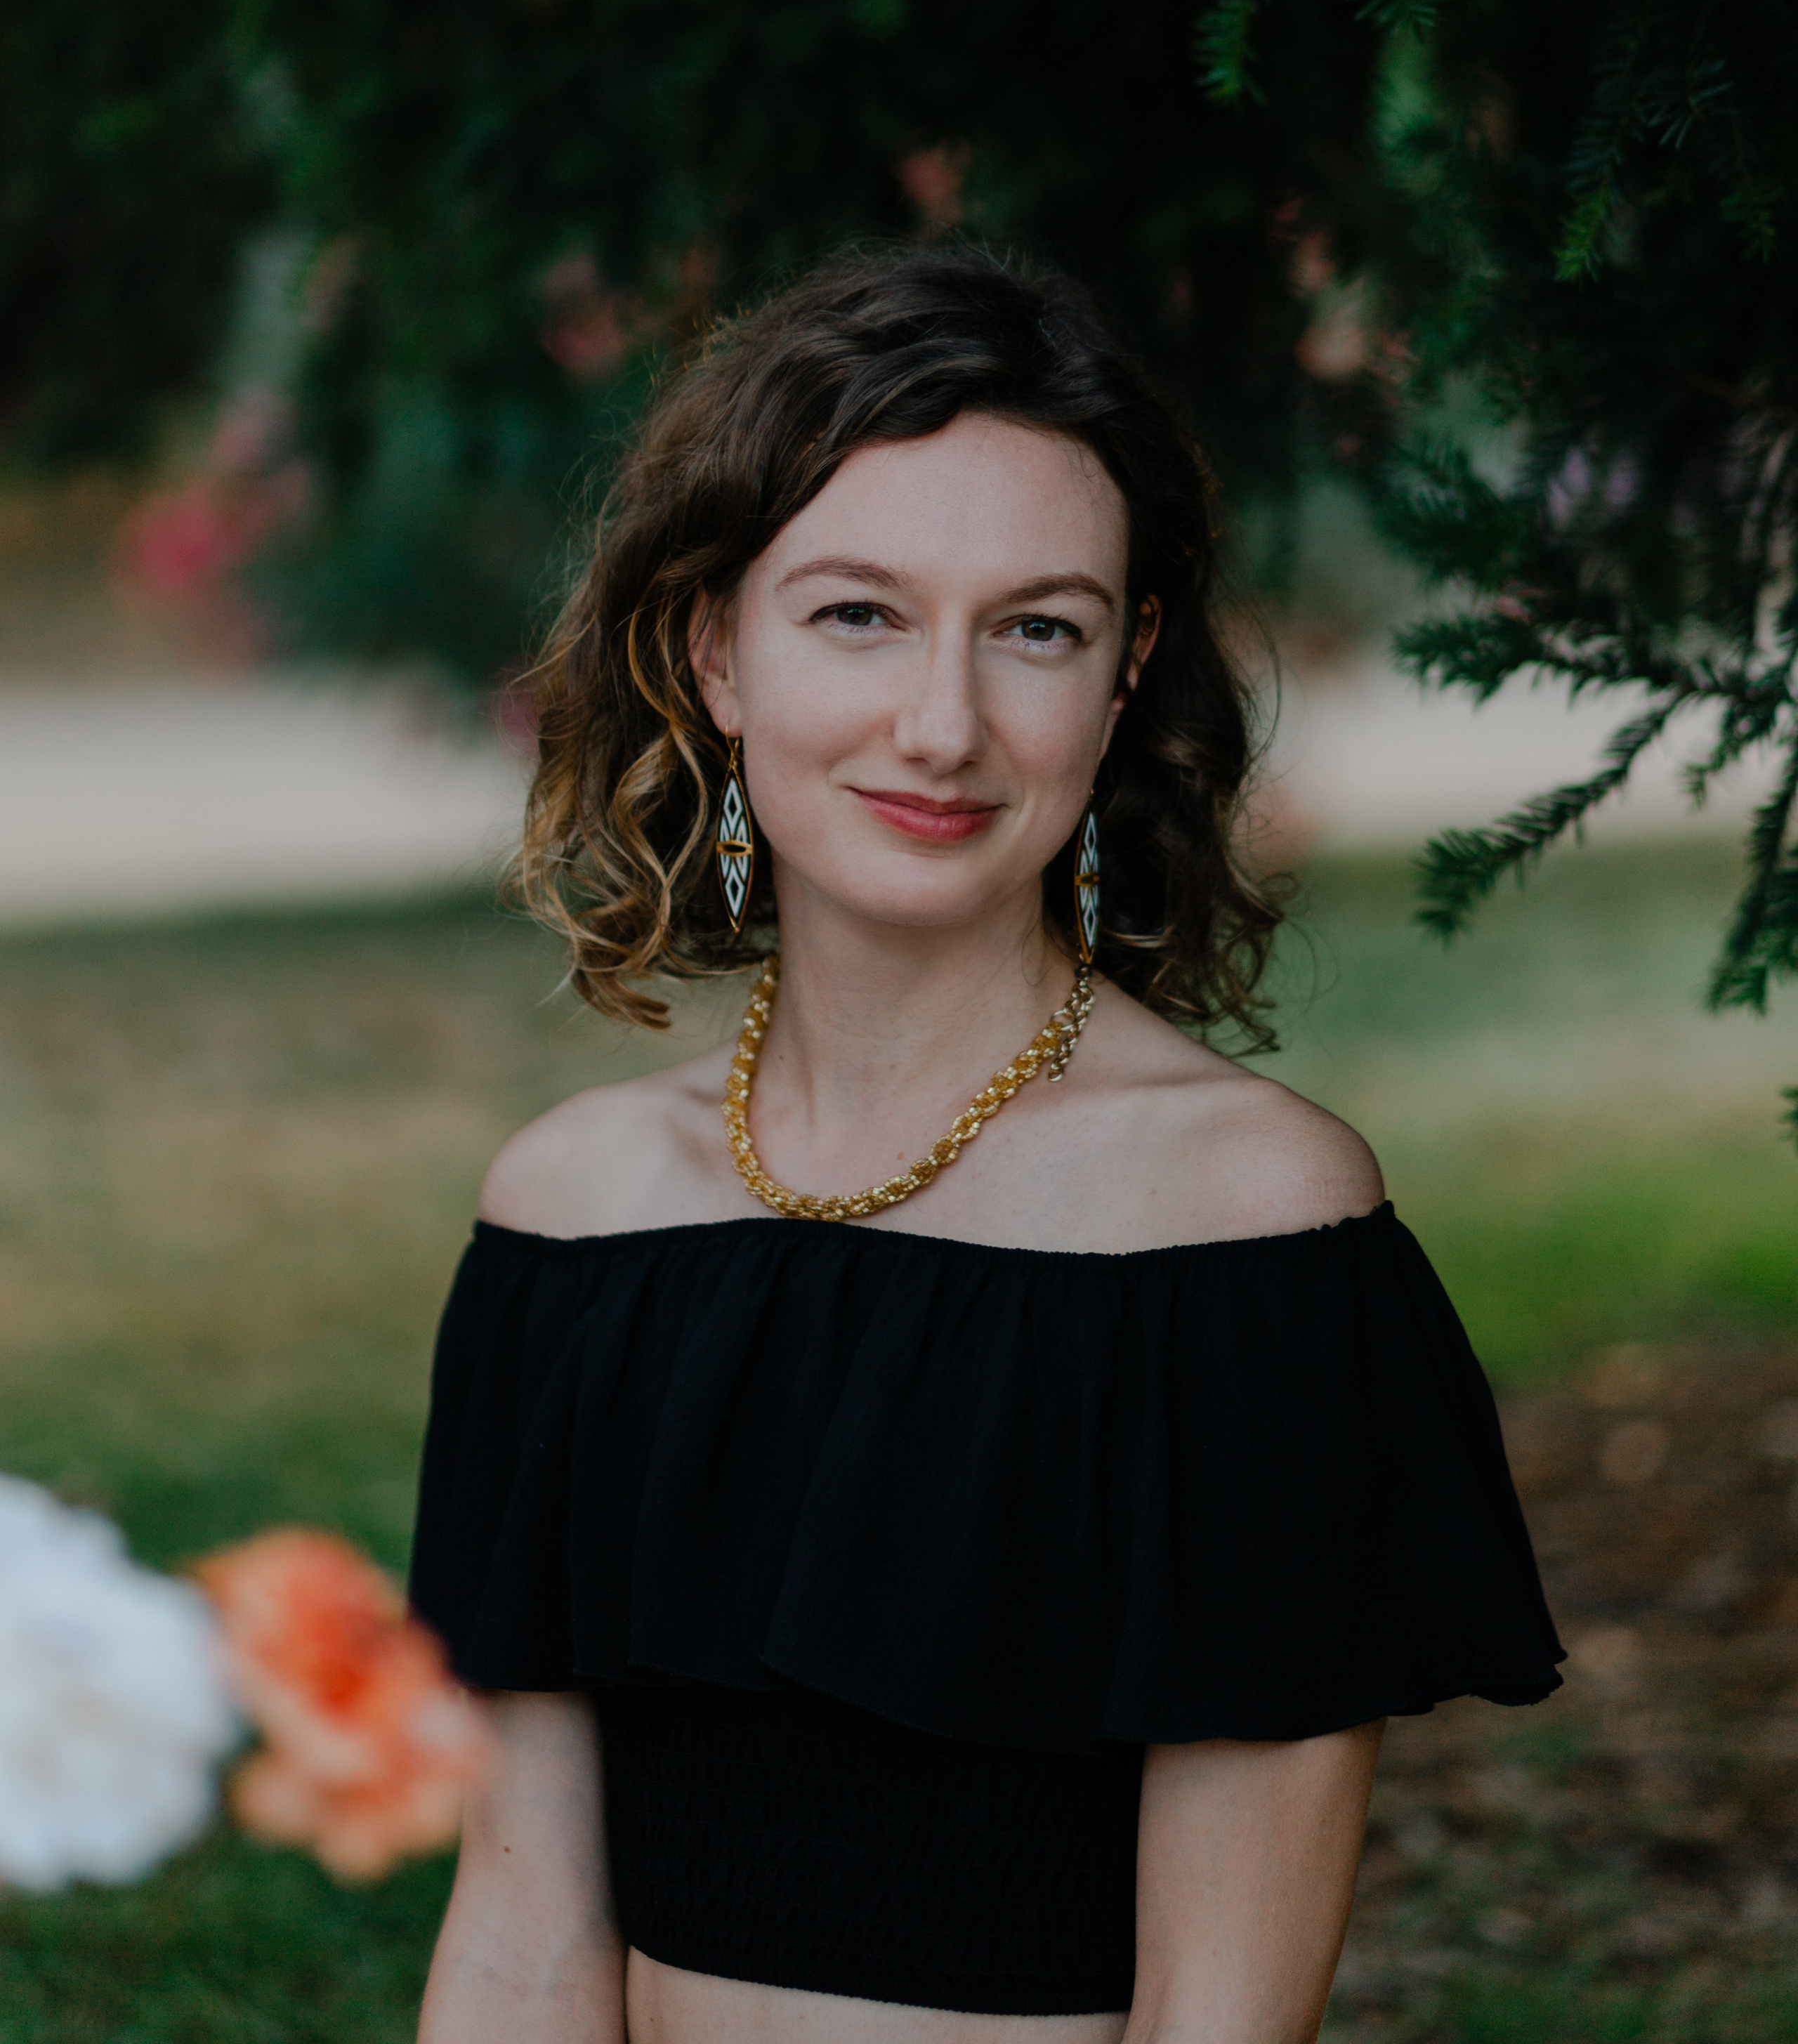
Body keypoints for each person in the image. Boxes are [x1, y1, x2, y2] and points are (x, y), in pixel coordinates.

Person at [409, 247, 1563, 2044]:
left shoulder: (1246, 1238)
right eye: (856, 615)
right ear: (714, 650)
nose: (941, 727)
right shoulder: (571, 1223)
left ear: (1124, 673)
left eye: (1036, 629)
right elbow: (516, 1934)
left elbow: (1219, 2013)